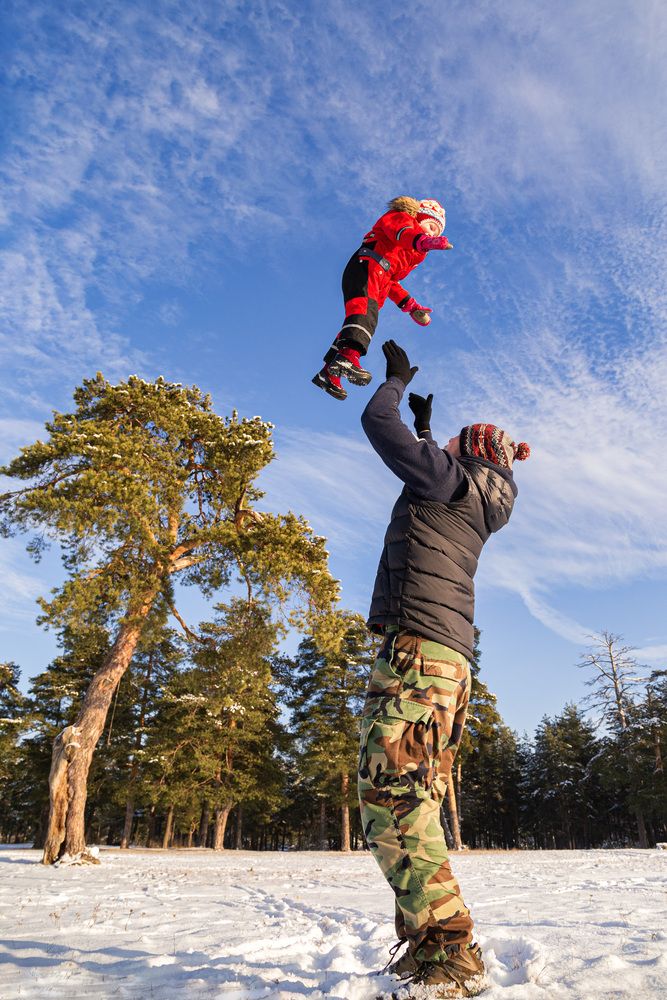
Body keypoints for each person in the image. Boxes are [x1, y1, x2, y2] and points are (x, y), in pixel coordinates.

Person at [358, 341, 530, 997]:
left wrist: (395, 383)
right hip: (447, 662)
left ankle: (450, 953)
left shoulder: (448, 479)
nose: (444, 446)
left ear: (471, 454)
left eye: (454, 441)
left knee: (392, 798)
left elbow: (378, 424)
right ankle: (430, 946)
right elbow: (431, 475)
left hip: (419, 656)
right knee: (416, 796)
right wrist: (430, 433)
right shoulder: (472, 492)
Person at [312, 197, 453, 401]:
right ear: (420, 217)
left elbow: (392, 282)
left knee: (361, 320)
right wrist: (421, 241)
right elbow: (402, 232)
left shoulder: (409, 255)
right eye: (431, 227)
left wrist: (412, 306)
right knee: (363, 313)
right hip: (366, 267)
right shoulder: (401, 218)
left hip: (379, 279)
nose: (432, 233)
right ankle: (348, 358)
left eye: (436, 233)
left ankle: (329, 374)